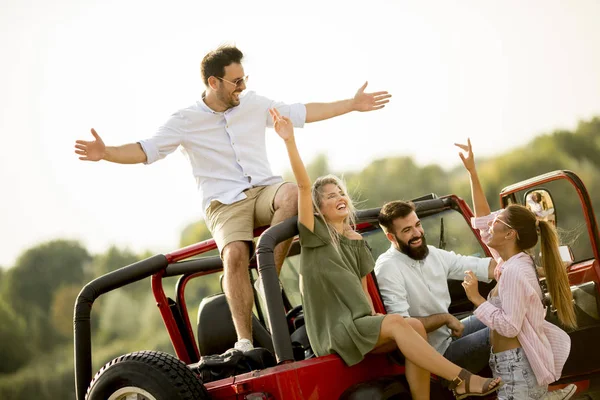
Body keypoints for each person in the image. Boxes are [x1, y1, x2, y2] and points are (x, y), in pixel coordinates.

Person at [73, 45, 392, 353]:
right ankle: (244, 341)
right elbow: (146, 149)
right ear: (213, 82)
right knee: (235, 256)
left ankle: (266, 279)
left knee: (293, 194)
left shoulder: (253, 103)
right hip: (224, 202)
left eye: (244, 79)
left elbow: (302, 111)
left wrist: (351, 104)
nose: (242, 86)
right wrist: (106, 154)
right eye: (236, 81)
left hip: (264, 189)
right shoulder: (185, 120)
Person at [271, 107, 502, 399]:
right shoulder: (315, 235)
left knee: (414, 325)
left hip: (361, 326)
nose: (339, 197)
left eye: (340, 192)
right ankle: (460, 379)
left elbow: (364, 290)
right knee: (399, 322)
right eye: (329, 196)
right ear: (318, 208)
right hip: (334, 333)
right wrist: (289, 140)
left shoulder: (355, 239)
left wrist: (377, 319)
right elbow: (304, 187)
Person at [456, 139, 577, 400]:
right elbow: (481, 221)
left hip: (517, 369)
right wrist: (473, 173)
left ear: (510, 234)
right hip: (513, 366)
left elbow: (510, 327)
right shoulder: (512, 261)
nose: (489, 226)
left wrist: (476, 298)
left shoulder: (513, 271)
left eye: (496, 223)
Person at [374, 201, 497, 376]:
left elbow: (480, 266)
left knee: (504, 313)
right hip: (434, 356)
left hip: (449, 335)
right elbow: (404, 326)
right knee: (503, 329)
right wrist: (444, 318)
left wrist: (523, 266)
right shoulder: (388, 268)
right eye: (407, 230)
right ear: (391, 237)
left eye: (417, 225)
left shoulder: (432, 253)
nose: (417, 234)